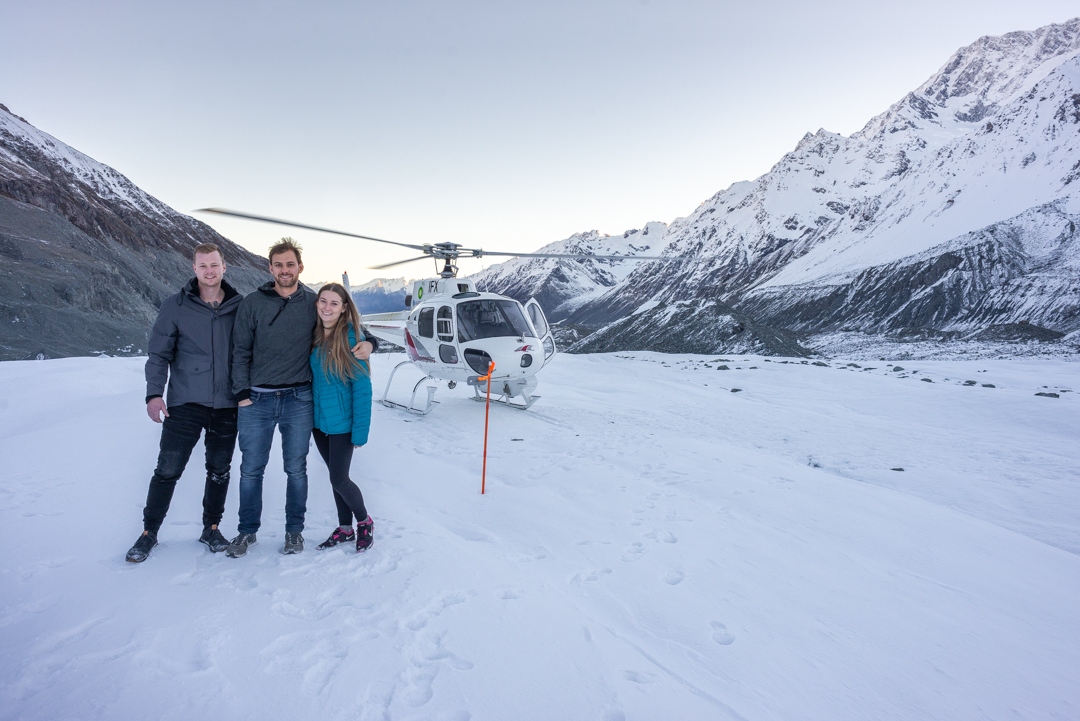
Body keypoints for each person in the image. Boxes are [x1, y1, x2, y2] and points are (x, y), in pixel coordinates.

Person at [226, 238, 375, 558]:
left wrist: (370, 342)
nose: (284, 270)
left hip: (310, 405)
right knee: (255, 469)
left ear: (300, 267)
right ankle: (251, 531)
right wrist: (241, 392)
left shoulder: (325, 315)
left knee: (312, 472)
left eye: (290, 264)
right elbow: (240, 348)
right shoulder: (263, 306)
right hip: (284, 407)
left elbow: (348, 334)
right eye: (278, 264)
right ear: (270, 268)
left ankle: (327, 528)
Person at [126, 243, 244, 563]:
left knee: (219, 469)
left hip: (227, 405)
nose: (209, 271)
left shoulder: (239, 306)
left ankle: (212, 528)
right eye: (203, 266)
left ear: (224, 267)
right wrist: (154, 394)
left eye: (214, 265)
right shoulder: (175, 306)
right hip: (186, 403)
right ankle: (149, 532)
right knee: (168, 469)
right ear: (194, 269)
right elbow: (159, 354)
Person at [310, 283, 375, 553]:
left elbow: (362, 389)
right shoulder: (314, 335)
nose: (327, 307)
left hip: (343, 425)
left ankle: (364, 522)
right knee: (334, 477)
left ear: (344, 307)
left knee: (339, 479)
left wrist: (359, 432)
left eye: (334, 303)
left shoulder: (351, 339)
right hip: (319, 422)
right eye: (323, 301)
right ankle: (345, 528)